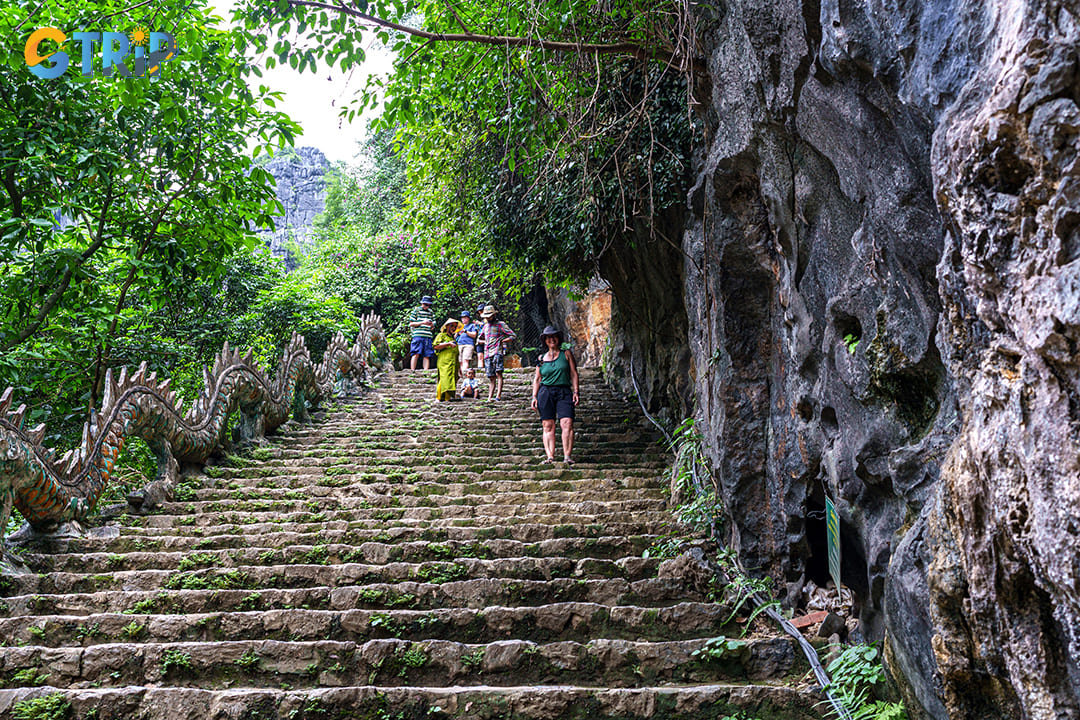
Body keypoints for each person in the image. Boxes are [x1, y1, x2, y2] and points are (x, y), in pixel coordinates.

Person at [530, 325, 579, 464]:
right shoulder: (540, 358)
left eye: (554, 336)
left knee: (567, 422)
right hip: (545, 392)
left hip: (564, 391)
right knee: (548, 425)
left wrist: (576, 391)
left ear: (558, 338)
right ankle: (550, 456)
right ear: (545, 340)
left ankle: (567, 456)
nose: (551, 339)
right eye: (548, 337)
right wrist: (534, 396)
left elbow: (574, 373)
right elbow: (537, 379)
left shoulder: (566, 354)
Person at [478, 305, 516, 401]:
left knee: (498, 373)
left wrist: (502, 341)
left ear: (494, 315)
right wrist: (485, 342)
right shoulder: (485, 326)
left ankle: (498, 395)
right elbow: (479, 338)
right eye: (486, 316)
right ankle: (490, 397)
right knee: (491, 376)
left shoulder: (501, 324)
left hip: (497, 352)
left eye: (489, 316)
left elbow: (513, 335)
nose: (488, 318)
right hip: (487, 353)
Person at [433, 318, 461, 401]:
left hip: (453, 362)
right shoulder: (441, 335)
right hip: (444, 362)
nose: (453, 328)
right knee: (444, 378)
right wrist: (447, 344)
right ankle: (438, 398)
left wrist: (459, 368)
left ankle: (447, 398)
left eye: (455, 326)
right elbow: (435, 346)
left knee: (451, 379)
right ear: (447, 326)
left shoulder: (453, 339)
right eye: (452, 326)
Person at [408, 295, 437, 370]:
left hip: (428, 335)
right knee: (416, 353)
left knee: (427, 354)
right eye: (425, 304)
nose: (426, 306)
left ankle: (426, 371)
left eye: (428, 305)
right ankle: (412, 371)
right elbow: (411, 324)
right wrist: (422, 322)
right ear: (422, 303)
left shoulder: (431, 312)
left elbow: (433, 325)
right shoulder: (416, 310)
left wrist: (431, 324)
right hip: (418, 335)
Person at [456, 310, 479, 374]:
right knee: (460, 360)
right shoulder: (459, 326)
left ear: (468, 318)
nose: (463, 319)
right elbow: (455, 337)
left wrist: (465, 331)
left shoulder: (471, 326)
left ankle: (464, 373)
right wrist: (457, 332)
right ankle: (461, 374)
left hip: (468, 344)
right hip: (459, 344)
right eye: (462, 318)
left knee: (465, 360)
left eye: (465, 317)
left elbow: (474, 335)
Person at [475, 303, 487, 368]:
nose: (480, 314)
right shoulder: (481, 321)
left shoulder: (490, 320)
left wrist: (480, 324)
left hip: (487, 339)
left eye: (481, 311)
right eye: (479, 312)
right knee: (480, 356)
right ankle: (480, 370)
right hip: (480, 340)